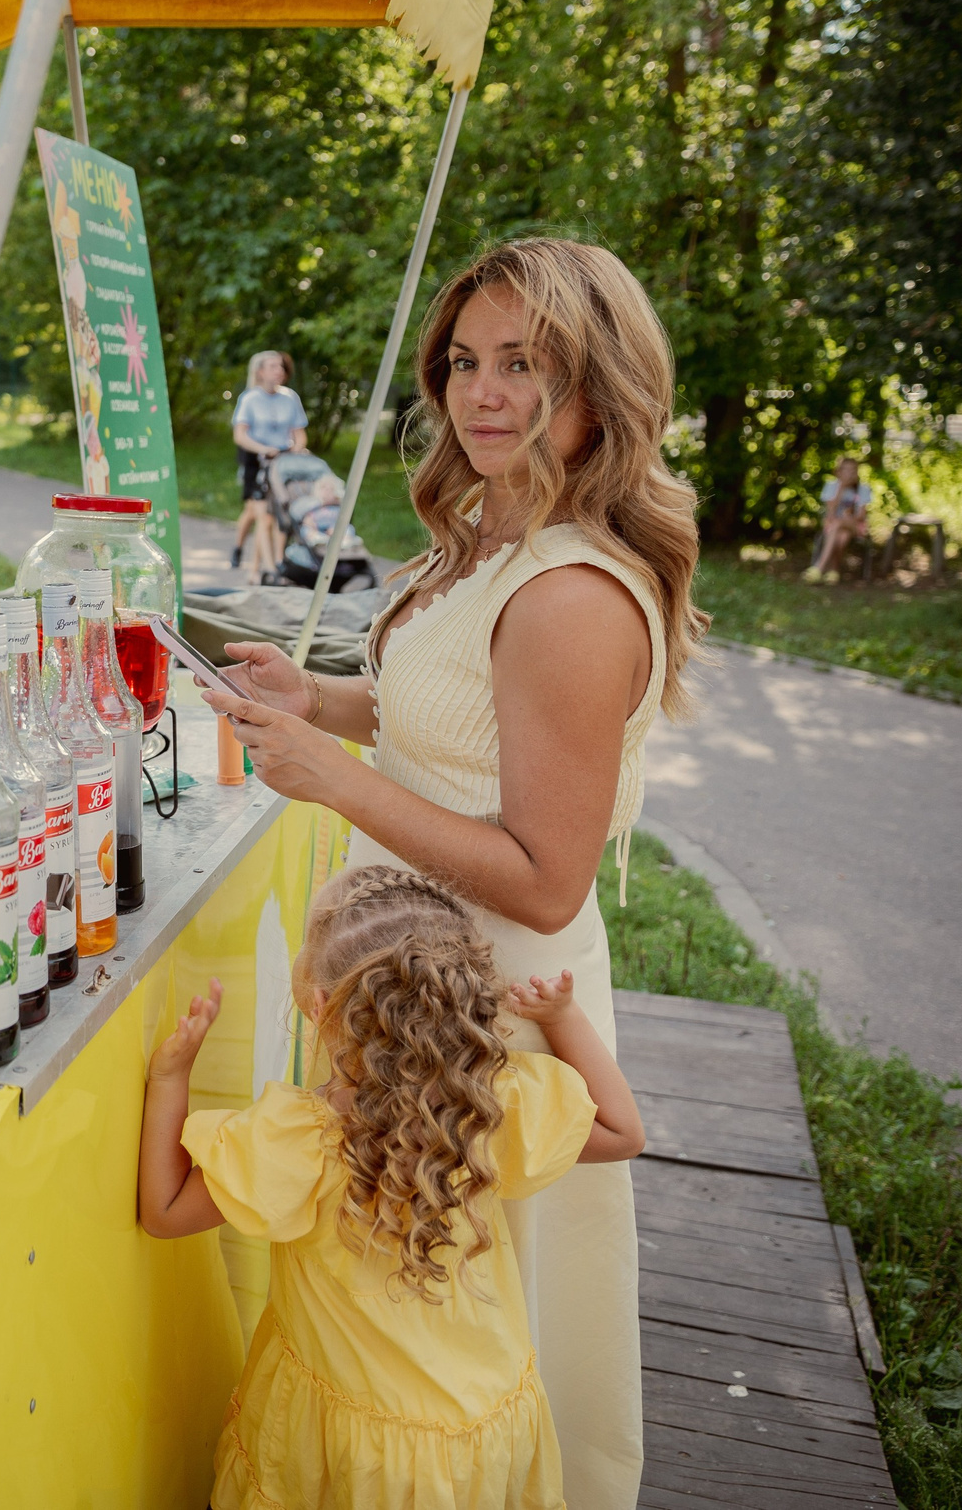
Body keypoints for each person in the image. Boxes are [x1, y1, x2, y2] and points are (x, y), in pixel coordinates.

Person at [200, 237, 706, 1508]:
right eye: (466, 361)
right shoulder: (495, 535)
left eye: (524, 364)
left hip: (495, 1005)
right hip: (411, 975)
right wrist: (319, 695)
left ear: (602, 385)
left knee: (472, 1338)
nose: (481, 393)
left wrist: (333, 777)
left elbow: (544, 878)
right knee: (396, 1325)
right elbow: (452, 720)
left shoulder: (574, 597)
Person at [138, 865, 646, 1510]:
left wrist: (169, 1078)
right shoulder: (487, 1109)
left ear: (319, 1005)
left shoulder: (300, 1138)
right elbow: (624, 1133)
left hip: (353, 1451)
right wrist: (565, 1017)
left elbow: (162, 1212)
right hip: (484, 1427)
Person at [230, 351, 308, 580]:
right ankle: (269, 567)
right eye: (273, 366)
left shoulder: (290, 397)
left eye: (281, 366)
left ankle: (259, 571)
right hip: (256, 461)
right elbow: (240, 436)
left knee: (274, 517)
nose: (280, 370)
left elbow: (300, 434)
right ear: (260, 371)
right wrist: (263, 449)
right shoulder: (249, 399)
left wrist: (297, 448)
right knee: (260, 516)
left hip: (282, 463)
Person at [806, 456, 873, 581]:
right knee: (842, 536)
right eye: (847, 470)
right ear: (838, 472)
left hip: (854, 526)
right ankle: (833, 572)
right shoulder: (831, 486)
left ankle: (819, 567)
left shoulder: (863, 489)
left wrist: (849, 516)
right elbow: (830, 513)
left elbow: (861, 516)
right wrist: (841, 488)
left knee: (838, 524)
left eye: (853, 470)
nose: (850, 473)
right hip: (835, 527)